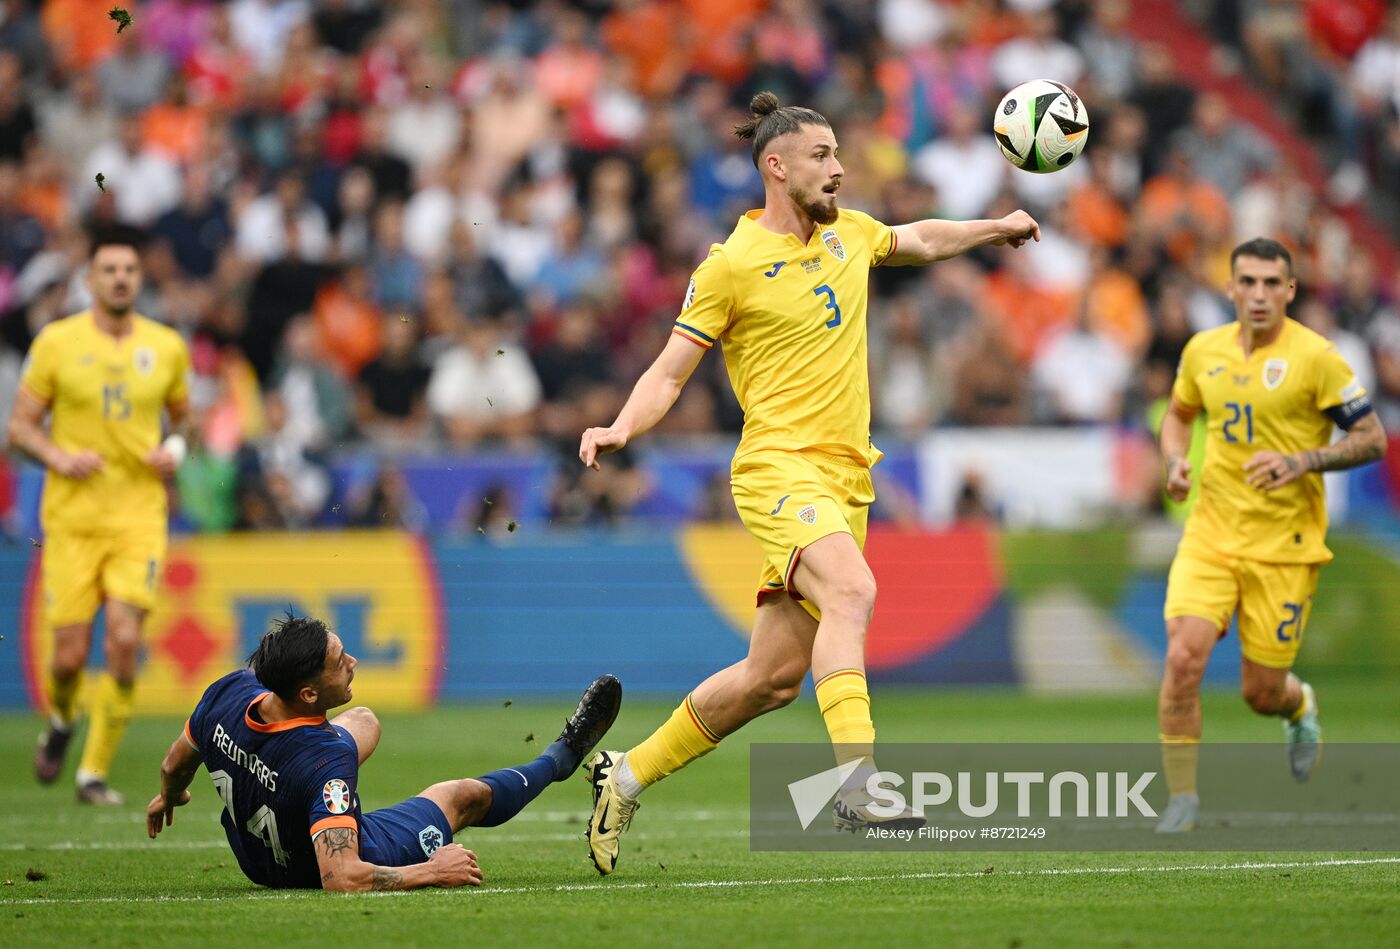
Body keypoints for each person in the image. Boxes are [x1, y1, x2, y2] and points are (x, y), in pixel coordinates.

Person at [576, 91, 1040, 874]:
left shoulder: (851, 233)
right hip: (776, 469)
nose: (840, 169)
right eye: (823, 157)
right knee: (854, 594)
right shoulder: (729, 265)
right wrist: (623, 424)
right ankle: (859, 785)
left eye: (838, 155)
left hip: (843, 480)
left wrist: (993, 229)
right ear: (776, 165)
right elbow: (668, 369)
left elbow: (921, 238)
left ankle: (624, 776)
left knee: (771, 679)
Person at [1155, 238, 1387, 833]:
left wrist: (1304, 461)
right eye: (1247, 282)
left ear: (1290, 290)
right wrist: (1174, 462)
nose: (1258, 295)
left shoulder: (1318, 358)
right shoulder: (1202, 351)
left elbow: (1373, 439)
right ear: (1230, 287)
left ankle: (1298, 704)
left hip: (1284, 546)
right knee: (1183, 658)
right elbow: (1179, 417)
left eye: (1270, 284)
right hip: (1210, 533)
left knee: (1260, 693)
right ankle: (1182, 799)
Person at [146, 612, 622, 891]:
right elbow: (342, 877)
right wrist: (430, 871)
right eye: (339, 662)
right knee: (458, 797)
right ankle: (558, 760)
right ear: (309, 694)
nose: (352, 663)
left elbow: (175, 763)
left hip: (254, 859)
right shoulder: (325, 764)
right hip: (305, 867)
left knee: (365, 720)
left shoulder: (228, 692)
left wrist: (169, 795)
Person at [9, 226, 192, 805]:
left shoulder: (166, 346)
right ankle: (62, 723)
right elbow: (18, 427)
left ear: (140, 279)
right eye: (109, 269)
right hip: (71, 520)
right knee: (66, 658)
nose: (119, 278)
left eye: (129, 270)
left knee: (120, 640)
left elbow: (184, 420)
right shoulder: (57, 343)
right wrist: (58, 456)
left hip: (139, 515)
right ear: (89, 280)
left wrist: (176, 452)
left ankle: (92, 773)